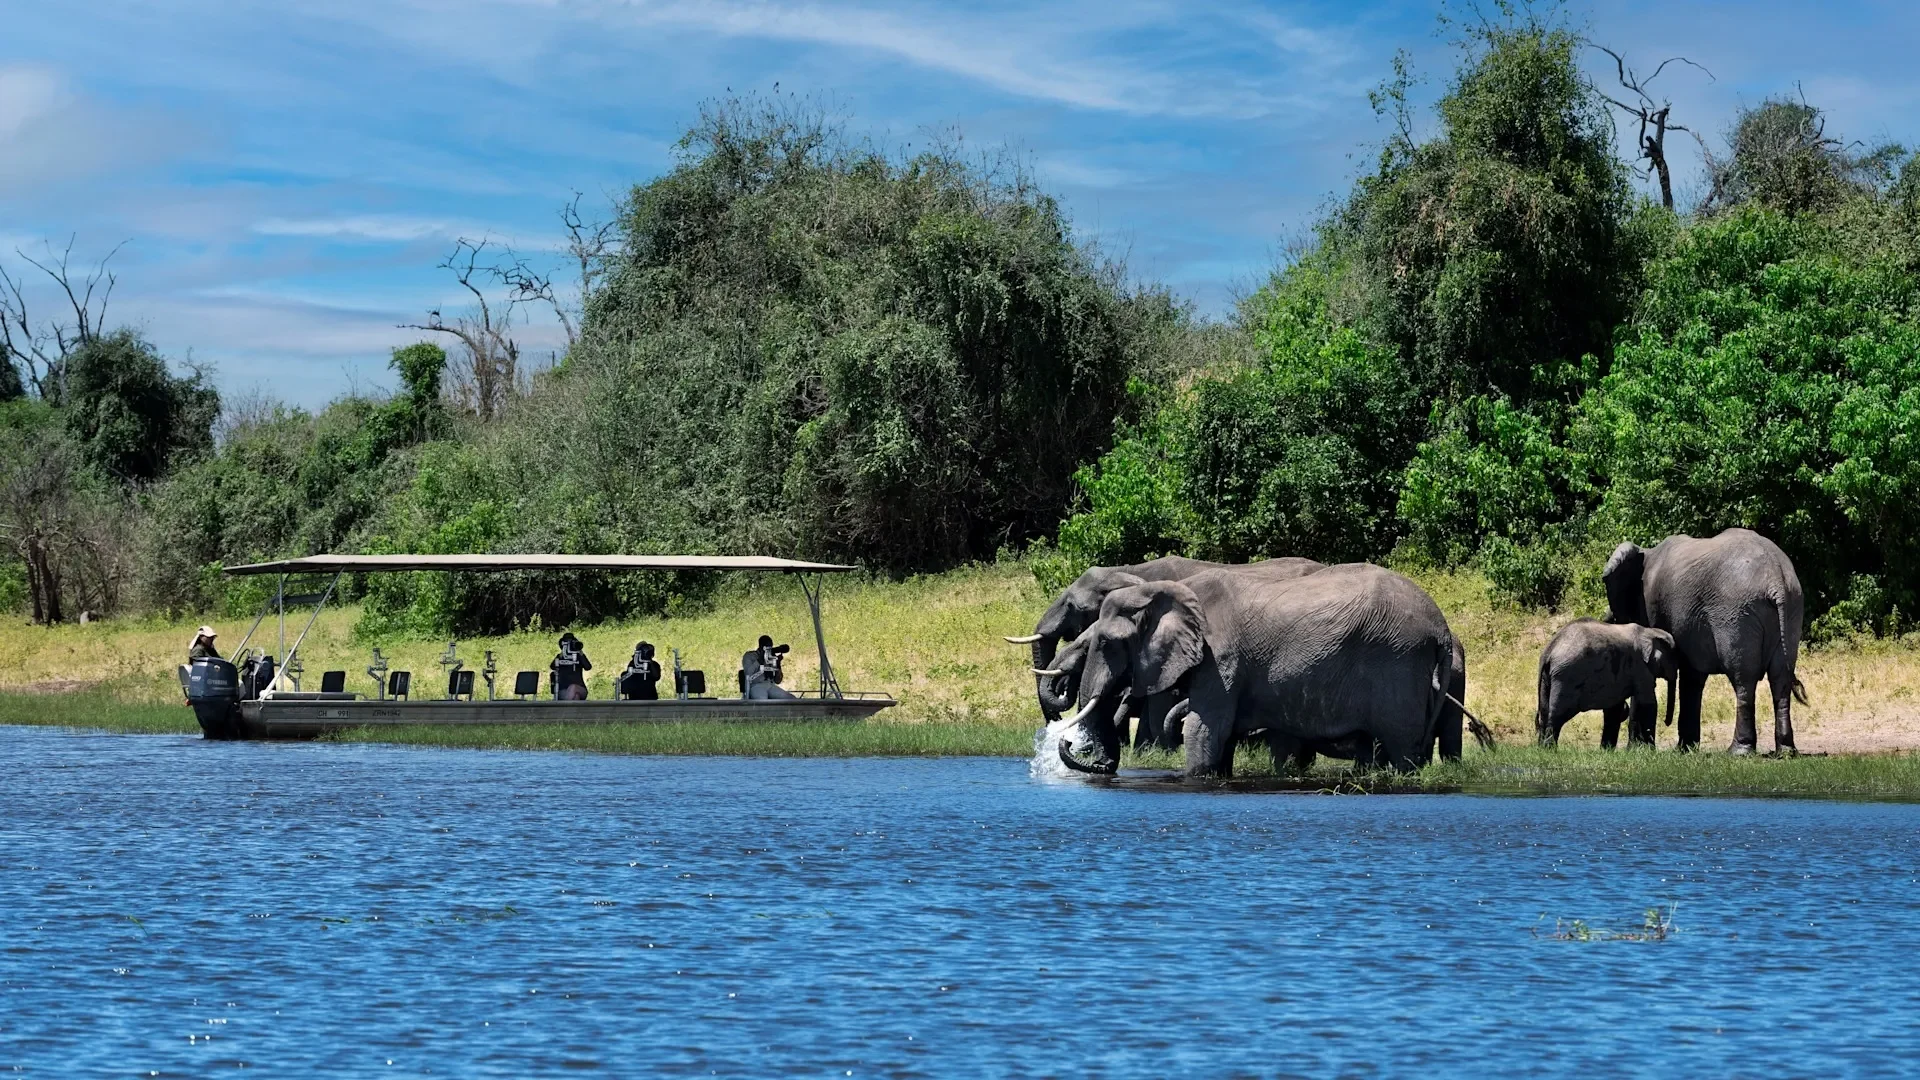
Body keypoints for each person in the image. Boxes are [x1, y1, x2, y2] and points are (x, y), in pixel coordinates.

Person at [741, 634, 795, 700]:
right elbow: (748, 673)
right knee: (763, 700)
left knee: (791, 699)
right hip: (756, 686)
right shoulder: (750, 656)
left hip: (770, 685)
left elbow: (778, 681)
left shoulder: (771, 657)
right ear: (761, 646)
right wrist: (758, 661)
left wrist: (778, 664)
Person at [550, 632, 593, 701]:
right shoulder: (560, 657)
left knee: (573, 688)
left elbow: (588, 667)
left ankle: (565, 706)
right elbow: (552, 666)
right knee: (576, 696)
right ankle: (571, 707)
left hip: (579, 688)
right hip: (563, 689)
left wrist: (579, 650)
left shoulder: (578, 656)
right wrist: (562, 653)